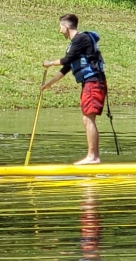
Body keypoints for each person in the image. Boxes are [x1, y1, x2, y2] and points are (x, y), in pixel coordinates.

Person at [41, 13, 107, 165]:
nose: (59, 31)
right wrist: (48, 84)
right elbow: (66, 67)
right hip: (89, 82)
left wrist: (49, 63)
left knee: (88, 119)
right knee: (86, 119)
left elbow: (67, 60)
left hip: (93, 82)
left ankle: (93, 157)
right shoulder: (76, 43)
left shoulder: (80, 39)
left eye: (60, 27)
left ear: (66, 26)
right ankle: (93, 156)